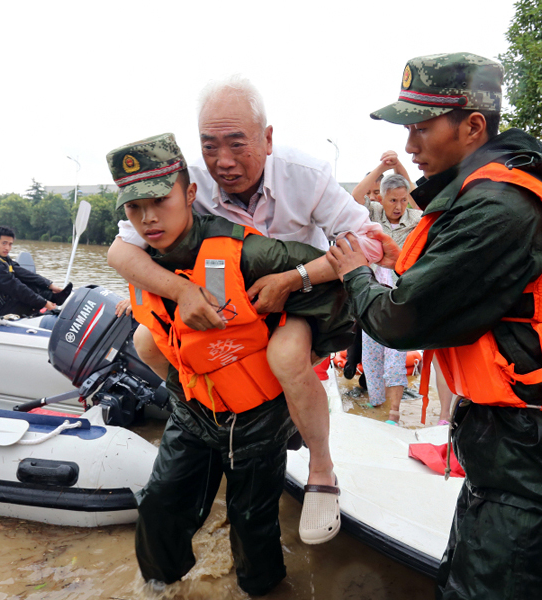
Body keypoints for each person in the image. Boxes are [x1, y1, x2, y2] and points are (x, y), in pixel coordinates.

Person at [326, 52, 542, 600]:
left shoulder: (497, 205)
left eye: (421, 127)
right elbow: (464, 290)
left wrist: (356, 275)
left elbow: (400, 319)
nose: (411, 146)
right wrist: (402, 262)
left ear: (472, 126)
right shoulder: (490, 192)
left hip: (535, 461)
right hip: (515, 449)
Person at [106, 75, 383, 544]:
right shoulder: (185, 179)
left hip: (300, 288)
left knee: (286, 357)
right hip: (224, 281)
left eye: (238, 143)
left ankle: (321, 465)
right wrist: (181, 292)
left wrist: (295, 278)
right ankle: (201, 409)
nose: (224, 161)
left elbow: (369, 241)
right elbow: (120, 251)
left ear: (268, 138)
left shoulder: (307, 174)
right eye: (210, 146)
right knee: (146, 340)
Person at [358, 173, 422, 424]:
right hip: (373, 291)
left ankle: (394, 411)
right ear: (381, 198)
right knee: (371, 353)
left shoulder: (415, 218)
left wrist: (399, 166)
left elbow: (425, 203)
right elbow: (354, 198)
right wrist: (380, 168)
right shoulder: (373, 214)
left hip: (400, 292)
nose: (398, 206)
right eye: (392, 200)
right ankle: (377, 406)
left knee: (396, 352)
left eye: (402, 200)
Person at [0, 226, 71, 317]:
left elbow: (19, 271)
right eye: (4, 243)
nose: (7, 248)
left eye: (10, 244)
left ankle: (56, 297)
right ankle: (43, 317)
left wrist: (50, 285)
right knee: (29, 301)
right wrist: (44, 303)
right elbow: (17, 289)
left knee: (28, 283)